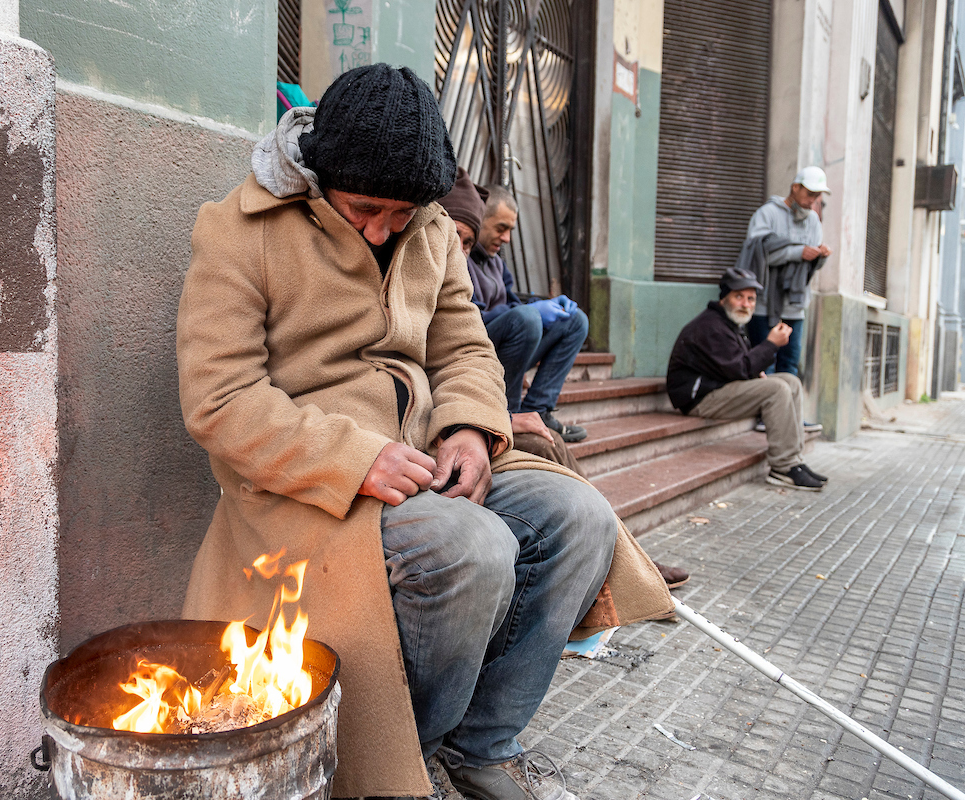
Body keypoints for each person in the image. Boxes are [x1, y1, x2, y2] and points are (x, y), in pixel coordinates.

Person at [176, 64, 673, 800]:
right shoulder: (239, 230)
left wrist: (470, 428)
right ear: (319, 175)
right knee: (470, 548)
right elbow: (219, 400)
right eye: (363, 209)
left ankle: (482, 744)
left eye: (401, 214)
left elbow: (465, 348)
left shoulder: (435, 230)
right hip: (308, 488)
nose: (383, 230)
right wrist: (356, 458)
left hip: (423, 460)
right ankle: (413, 762)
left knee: (579, 519)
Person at [440, 167, 689, 589]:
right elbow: (446, 362)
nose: (460, 252)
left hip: (480, 397)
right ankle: (622, 563)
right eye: (498, 229)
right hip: (461, 417)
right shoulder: (434, 279)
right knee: (541, 434)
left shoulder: (487, 266)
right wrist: (495, 417)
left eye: (467, 241)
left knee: (569, 327)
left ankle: (621, 554)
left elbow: (465, 351)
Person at [666, 267, 828, 492]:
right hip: (700, 399)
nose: (745, 304)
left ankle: (794, 460)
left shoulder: (729, 323)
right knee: (776, 389)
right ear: (724, 298)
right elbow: (739, 369)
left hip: (721, 388)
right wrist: (771, 344)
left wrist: (755, 370)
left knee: (790, 382)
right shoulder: (710, 326)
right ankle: (783, 467)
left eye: (751, 299)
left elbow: (735, 365)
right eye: (738, 297)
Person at [461, 181, 589, 442]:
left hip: (507, 346)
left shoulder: (497, 264)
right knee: (527, 318)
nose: (507, 238)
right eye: (501, 228)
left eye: (510, 230)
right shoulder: (461, 257)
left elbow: (513, 307)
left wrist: (541, 306)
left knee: (575, 320)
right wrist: (530, 312)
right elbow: (468, 322)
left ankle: (539, 410)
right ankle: (507, 414)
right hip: (476, 350)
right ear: (480, 219)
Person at [738, 167, 832, 386]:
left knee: (790, 365)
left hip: (794, 304)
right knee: (764, 364)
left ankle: (789, 407)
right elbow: (756, 253)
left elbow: (811, 267)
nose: (813, 200)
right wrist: (798, 252)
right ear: (795, 187)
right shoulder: (768, 214)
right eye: (810, 193)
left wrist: (821, 256)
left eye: (817, 195)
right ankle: (765, 407)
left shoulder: (813, 221)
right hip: (764, 304)